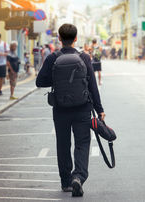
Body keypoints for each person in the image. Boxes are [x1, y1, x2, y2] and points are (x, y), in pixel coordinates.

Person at [36, 24, 105, 197]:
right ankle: (79, 177)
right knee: (82, 143)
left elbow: (40, 82)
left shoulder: (53, 58)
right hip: (83, 108)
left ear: (59, 38)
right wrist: (99, 109)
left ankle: (66, 182)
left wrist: (58, 80)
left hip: (60, 109)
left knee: (63, 144)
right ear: (76, 39)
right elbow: (92, 86)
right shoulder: (84, 57)